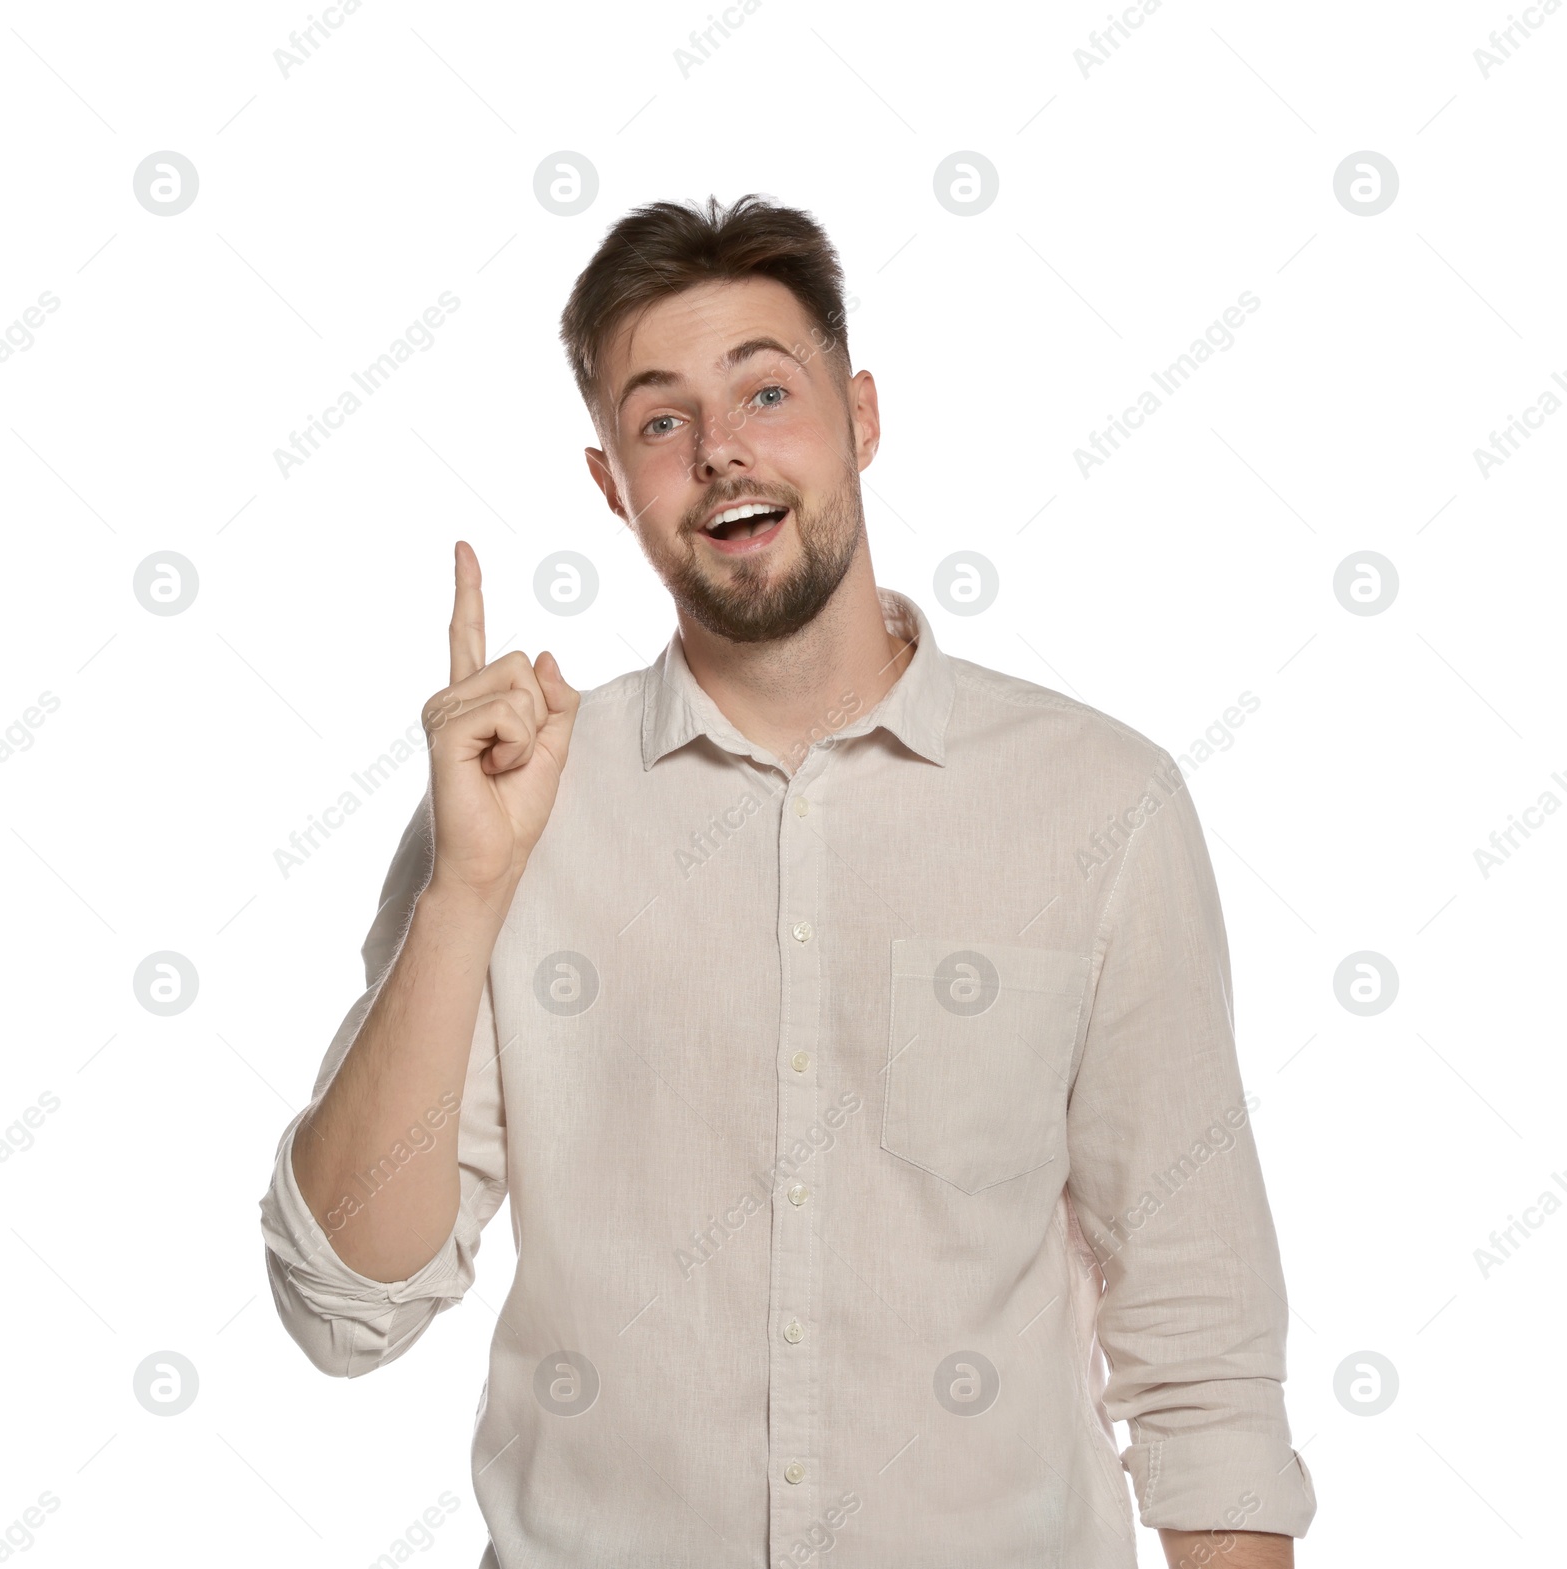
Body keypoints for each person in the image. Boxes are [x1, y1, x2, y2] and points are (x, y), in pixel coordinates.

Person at [259, 194, 1316, 1569]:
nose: (721, 452)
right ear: (612, 486)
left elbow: (1199, 1343)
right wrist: (464, 892)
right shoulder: (519, 808)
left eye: (767, 389)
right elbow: (350, 1303)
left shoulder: (1097, 802)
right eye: (660, 421)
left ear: (861, 417)